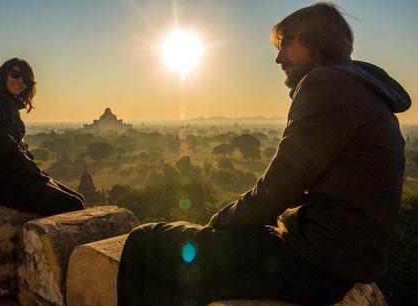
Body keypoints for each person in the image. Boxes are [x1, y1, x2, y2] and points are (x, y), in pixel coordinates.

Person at [117, 2, 411, 306]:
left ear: (319, 43)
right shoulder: (361, 89)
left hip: (312, 266)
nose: (278, 57)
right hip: (337, 262)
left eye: (286, 45)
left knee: (146, 241)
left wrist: (217, 223)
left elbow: (276, 189)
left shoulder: (326, 85)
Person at [0, 58, 85, 216]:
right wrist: (37, 174)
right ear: (4, 74)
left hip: (9, 174)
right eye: (15, 74)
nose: (20, 81)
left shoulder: (5, 100)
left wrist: (39, 175)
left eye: (25, 80)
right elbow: (5, 149)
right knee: (73, 204)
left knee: (79, 198)